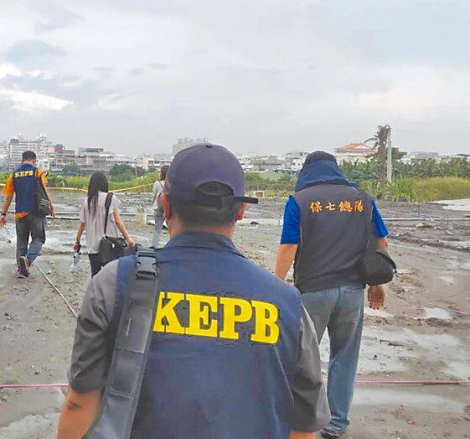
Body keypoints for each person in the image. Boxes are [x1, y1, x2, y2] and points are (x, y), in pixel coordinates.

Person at [58, 144, 328, 439]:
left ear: (166, 204)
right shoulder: (286, 304)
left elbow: (80, 403)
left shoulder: (114, 284)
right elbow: (303, 426)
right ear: (241, 210)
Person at [274, 151, 389, 439]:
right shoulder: (362, 199)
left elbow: (289, 246)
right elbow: (380, 239)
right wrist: (377, 284)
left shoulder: (299, 201)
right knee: (345, 357)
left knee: (300, 357)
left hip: (312, 291)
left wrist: (275, 285)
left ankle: (299, 421)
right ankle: (336, 422)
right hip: (352, 291)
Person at [0, 150, 55, 278]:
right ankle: (28, 261)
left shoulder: (14, 174)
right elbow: (45, 192)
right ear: (34, 160)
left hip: (20, 214)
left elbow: (8, 197)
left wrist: (3, 214)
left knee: (21, 242)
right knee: (38, 239)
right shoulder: (38, 172)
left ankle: (21, 270)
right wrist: (52, 207)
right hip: (36, 212)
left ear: (22, 160)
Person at [73, 172, 136, 276]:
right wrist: (128, 238)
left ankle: (96, 292)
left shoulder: (86, 201)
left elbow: (82, 224)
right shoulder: (111, 199)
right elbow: (118, 221)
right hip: (110, 244)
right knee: (111, 276)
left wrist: (77, 241)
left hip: (92, 245)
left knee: (95, 275)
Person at [150, 165, 169, 249]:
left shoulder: (157, 184)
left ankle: (154, 246)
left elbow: (153, 196)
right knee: (171, 229)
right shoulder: (171, 184)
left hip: (157, 208)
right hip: (168, 209)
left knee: (157, 229)